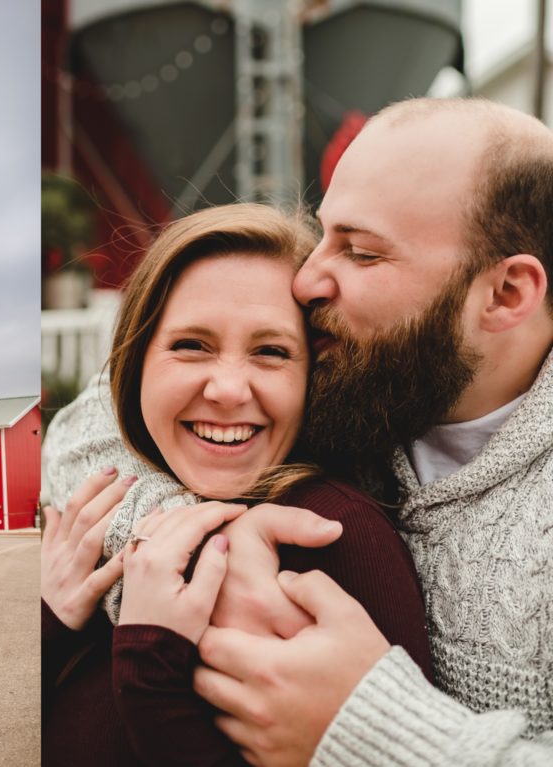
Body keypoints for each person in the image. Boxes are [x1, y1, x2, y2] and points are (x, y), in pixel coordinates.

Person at [44, 97, 553, 765]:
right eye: (323, 233)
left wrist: (378, 734)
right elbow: (95, 424)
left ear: (507, 294)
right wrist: (204, 543)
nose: (308, 278)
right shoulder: (354, 366)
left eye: (361, 252)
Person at [41, 203, 431, 766]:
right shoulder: (101, 514)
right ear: (135, 364)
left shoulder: (333, 534)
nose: (227, 390)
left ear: (313, 377)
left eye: (271, 352)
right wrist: (52, 621)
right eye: (191, 345)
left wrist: (152, 664)